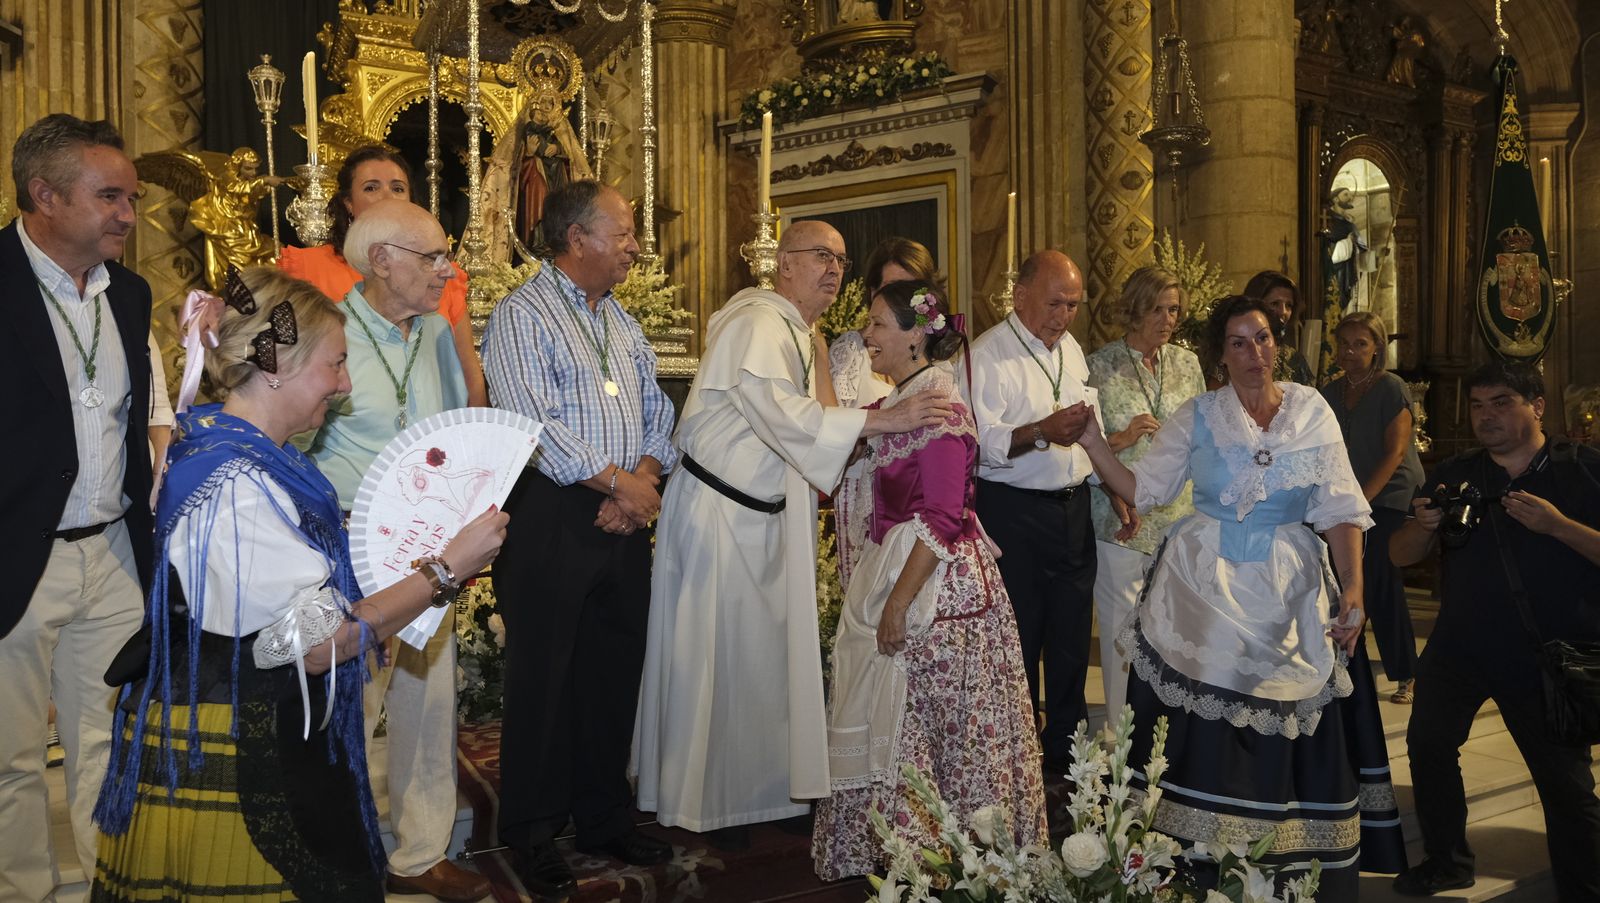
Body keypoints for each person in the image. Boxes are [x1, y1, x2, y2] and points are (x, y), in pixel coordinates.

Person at [91, 266, 508, 902]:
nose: (343, 386)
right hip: (247, 735)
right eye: (336, 365)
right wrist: (444, 569)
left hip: (268, 711)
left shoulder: (243, 451)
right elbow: (314, 644)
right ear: (278, 363)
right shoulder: (235, 482)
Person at [1076, 295, 1406, 899]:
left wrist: (1353, 585)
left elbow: (1339, 505)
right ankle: (1196, 863)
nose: (1255, 353)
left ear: (1276, 343)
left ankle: (1292, 864)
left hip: (1291, 583)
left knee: (1292, 708)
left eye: (1262, 338)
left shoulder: (1312, 410)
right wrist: (1095, 445)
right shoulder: (1197, 414)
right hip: (1203, 586)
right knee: (1202, 718)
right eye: (1238, 343)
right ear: (1219, 356)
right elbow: (1145, 490)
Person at [635, 220, 952, 838]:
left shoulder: (801, 331)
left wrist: (876, 428)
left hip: (764, 516)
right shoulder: (755, 321)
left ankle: (756, 797)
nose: (833, 269)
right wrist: (887, 422)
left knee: (756, 664)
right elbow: (782, 413)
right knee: (716, 661)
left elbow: (819, 422)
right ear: (782, 263)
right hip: (721, 517)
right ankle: (698, 798)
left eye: (839, 259)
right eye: (819, 256)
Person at [480, 180, 677, 897]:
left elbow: (658, 411)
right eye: (622, 233)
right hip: (553, 517)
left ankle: (602, 815)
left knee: (611, 673)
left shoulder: (621, 322)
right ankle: (531, 830)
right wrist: (619, 484)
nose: (634, 245)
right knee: (545, 678)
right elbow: (532, 423)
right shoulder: (520, 316)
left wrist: (641, 479)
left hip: (621, 515)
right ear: (576, 240)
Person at [811, 281, 1047, 880]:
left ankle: (949, 865)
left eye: (877, 326)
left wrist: (896, 604)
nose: (867, 337)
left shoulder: (939, 404)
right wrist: (816, 344)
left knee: (936, 734)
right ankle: (907, 859)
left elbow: (942, 517)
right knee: (903, 727)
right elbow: (826, 430)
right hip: (901, 572)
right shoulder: (907, 398)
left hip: (939, 593)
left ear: (916, 334)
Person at [303, 199, 487, 901]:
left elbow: (450, 427)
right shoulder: (327, 328)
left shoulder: (438, 329)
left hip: (428, 547)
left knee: (427, 698)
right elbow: (300, 437)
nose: (447, 269)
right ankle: (341, 850)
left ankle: (419, 852)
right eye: (432, 257)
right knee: (348, 701)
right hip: (350, 540)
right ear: (382, 260)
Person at [0, 113, 153, 901]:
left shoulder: (129, 291)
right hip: (19, 554)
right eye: (110, 196)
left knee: (109, 741)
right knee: (12, 757)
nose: (129, 213)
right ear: (44, 195)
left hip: (113, 551)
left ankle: (110, 886)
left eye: (130, 196)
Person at [1390, 362, 1600, 900]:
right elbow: (1398, 555)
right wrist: (1421, 525)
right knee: (1429, 746)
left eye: (1502, 402)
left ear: (1537, 406)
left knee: (1564, 783)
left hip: (1544, 654)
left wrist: (1557, 525)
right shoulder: (1456, 473)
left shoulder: (1582, 471)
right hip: (1460, 645)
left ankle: (1584, 886)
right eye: (1478, 406)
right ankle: (1447, 862)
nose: (1487, 417)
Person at [966, 249, 1101, 773]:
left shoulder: (1072, 349)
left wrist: (1111, 491)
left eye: (1072, 305)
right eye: (1054, 303)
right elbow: (974, 444)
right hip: (1013, 515)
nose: (1063, 316)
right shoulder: (985, 356)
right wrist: (1042, 431)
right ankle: (1016, 764)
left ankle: (1069, 763)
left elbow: (1091, 427)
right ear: (1019, 296)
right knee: (1019, 643)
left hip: (1073, 509)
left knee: (1070, 644)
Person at [278, 145, 487, 407]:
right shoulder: (309, 268)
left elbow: (468, 375)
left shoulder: (441, 276)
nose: (387, 195)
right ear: (348, 203)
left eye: (398, 188)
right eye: (371, 187)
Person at [1084, 265, 1205, 717]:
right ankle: (1119, 734)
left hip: (1181, 518)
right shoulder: (1098, 366)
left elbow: (1201, 437)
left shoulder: (1187, 364)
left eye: (1174, 309)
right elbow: (1083, 446)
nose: (1167, 319)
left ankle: (1170, 729)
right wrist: (1122, 437)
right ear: (1135, 309)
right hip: (1121, 519)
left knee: (1177, 631)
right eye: (1157, 308)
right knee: (1121, 632)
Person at [1321, 311, 1423, 704]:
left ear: (1377, 347)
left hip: (1389, 494)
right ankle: (1347, 663)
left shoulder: (1391, 386)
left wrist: (1361, 502)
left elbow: (1396, 452)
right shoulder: (1330, 392)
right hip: (1348, 496)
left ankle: (1406, 673)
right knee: (1340, 577)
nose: (1349, 351)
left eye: (1359, 344)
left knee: (1378, 576)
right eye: (1343, 344)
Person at [827, 237, 942, 410]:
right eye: (891, 288)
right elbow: (834, 425)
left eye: (913, 291)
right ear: (873, 293)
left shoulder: (938, 358)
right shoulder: (849, 352)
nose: (902, 299)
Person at [1243, 270, 1315, 386]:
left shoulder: (1293, 359)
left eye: (1289, 305)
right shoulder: (1235, 353)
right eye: (1275, 304)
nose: (1283, 312)